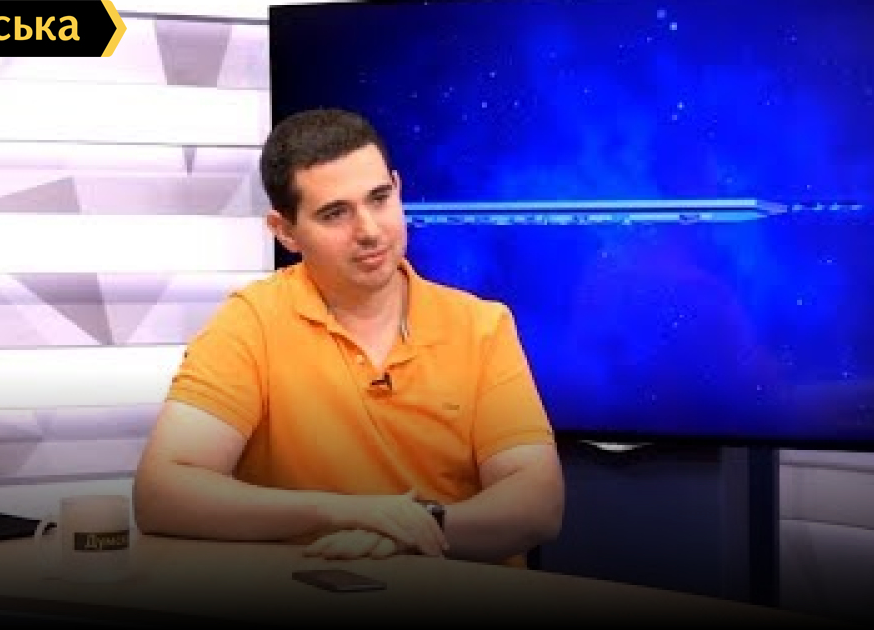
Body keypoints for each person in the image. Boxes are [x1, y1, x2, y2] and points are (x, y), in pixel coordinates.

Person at [132, 108, 564, 566]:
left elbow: (537, 504)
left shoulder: (481, 326)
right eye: (335, 213)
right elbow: (161, 495)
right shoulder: (252, 321)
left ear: (398, 188)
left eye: (379, 199)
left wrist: (414, 530)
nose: (370, 231)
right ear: (285, 232)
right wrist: (347, 514)